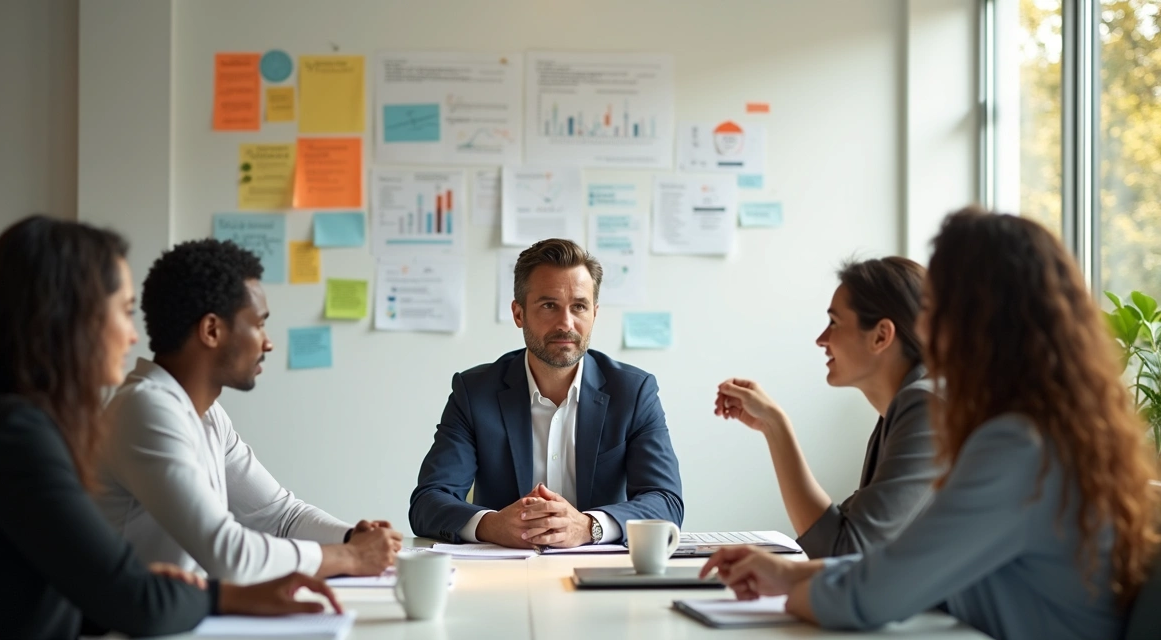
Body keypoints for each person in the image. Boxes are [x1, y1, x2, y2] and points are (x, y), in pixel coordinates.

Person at [702, 208, 1161, 640]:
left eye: (934, 307)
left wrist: (793, 587)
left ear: (972, 322)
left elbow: (871, 594)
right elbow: (912, 568)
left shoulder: (1016, 446)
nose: (923, 325)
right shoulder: (1044, 430)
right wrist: (790, 573)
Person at [0, 216, 340, 638]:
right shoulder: (15, 434)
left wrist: (158, 587)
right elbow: (134, 603)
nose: (134, 336)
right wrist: (217, 596)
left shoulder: (11, 424)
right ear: (70, 318)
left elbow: (74, 593)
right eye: (124, 311)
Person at [96, 239, 401, 583]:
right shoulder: (146, 409)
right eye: (258, 324)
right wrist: (351, 556)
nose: (268, 342)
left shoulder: (207, 415)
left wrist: (354, 538)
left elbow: (279, 517)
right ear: (212, 330)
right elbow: (230, 555)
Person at [409, 238, 683, 548]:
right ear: (519, 313)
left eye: (578, 306)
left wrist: (589, 526)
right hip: (503, 574)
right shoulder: (474, 393)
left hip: (602, 570)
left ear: (594, 313)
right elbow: (428, 502)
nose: (565, 324)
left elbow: (666, 502)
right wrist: (492, 525)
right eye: (549, 305)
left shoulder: (633, 393)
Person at [714, 257, 937, 557]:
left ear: (882, 335)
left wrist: (777, 426)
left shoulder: (927, 408)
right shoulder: (898, 413)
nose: (822, 339)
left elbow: (845, 550)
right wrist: (771, 425)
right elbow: (842, 533)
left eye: (834, 322)